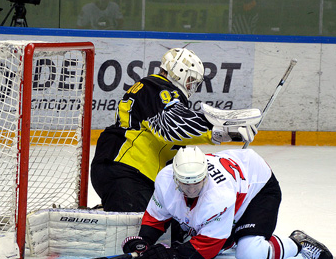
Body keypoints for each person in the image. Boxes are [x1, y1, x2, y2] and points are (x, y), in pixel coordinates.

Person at [91, 48, 260, 212]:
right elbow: (171, 126)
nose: (191, 86)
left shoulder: (162, 93)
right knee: (140, 232)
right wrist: (219, 129)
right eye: (191, 80)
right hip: (125, 171)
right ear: (179, 71)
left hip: (131, 174)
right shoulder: (156, 86)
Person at [122, 146, 333, 259]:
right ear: (175, 177)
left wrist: (173, 256)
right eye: (186, 183)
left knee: (250, 255)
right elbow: (156, 216)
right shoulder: (165, 179)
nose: (192, 189)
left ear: (205, 175)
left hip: (257, 188)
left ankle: (297, 243)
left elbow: (208, 246)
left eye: (197, 182)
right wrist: (144, 241)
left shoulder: (218, 196)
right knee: (186, 236)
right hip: (235, 187)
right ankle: (233, 236)